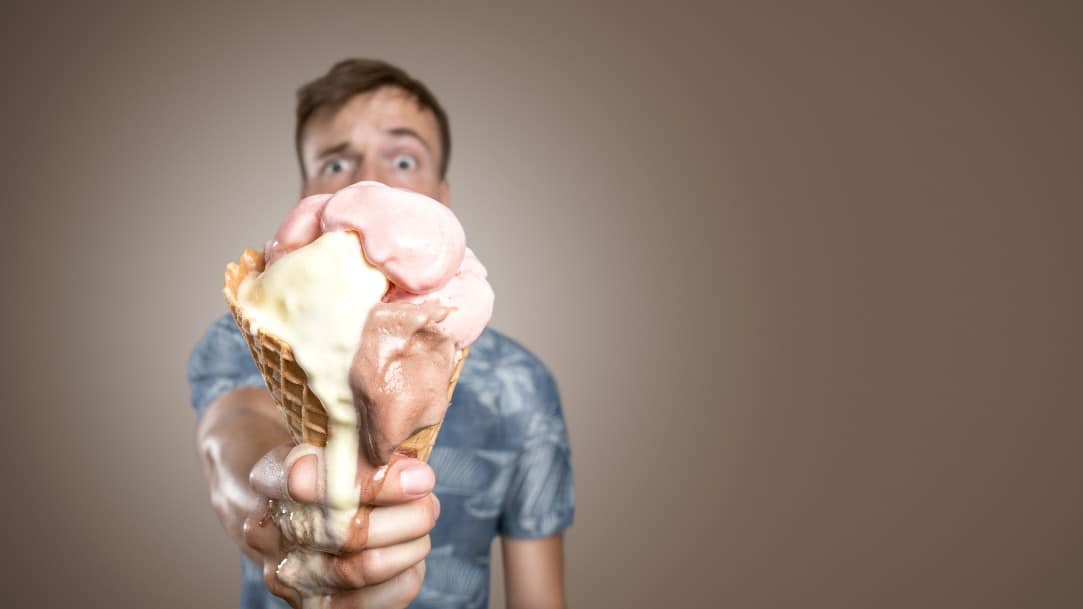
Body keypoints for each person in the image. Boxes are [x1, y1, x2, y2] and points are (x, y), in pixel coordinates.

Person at [188, 59, 574, 609]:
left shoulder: (521, 385)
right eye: (336, 161)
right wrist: (285, 519)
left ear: (441, 199)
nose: (369, 181)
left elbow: (539, 597)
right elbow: (230, 440)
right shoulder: (241, 336)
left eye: (402, 158)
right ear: (306, 194)